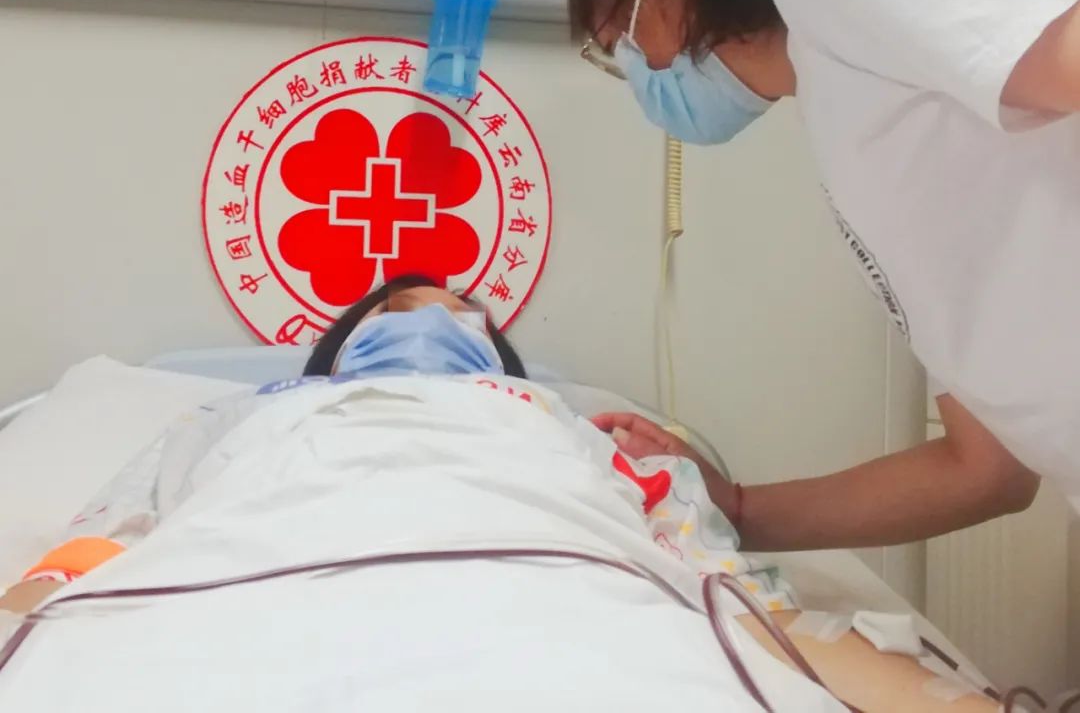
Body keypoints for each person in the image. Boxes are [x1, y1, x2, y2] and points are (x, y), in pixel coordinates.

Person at [0, 275, 998, 711]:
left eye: (457, 314)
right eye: (398, 310)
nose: (430, 320)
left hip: (566, 584)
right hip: (250, 570)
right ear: (341, 349)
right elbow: (91, 551)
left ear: (494, 358)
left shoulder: (572, 425)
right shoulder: (236, 414)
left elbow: (732, 595)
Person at [567, 0, 1080, 550]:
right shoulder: (852, 117)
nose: (645, 76)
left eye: (624, 42)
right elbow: (986, 469)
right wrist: (731, 509)